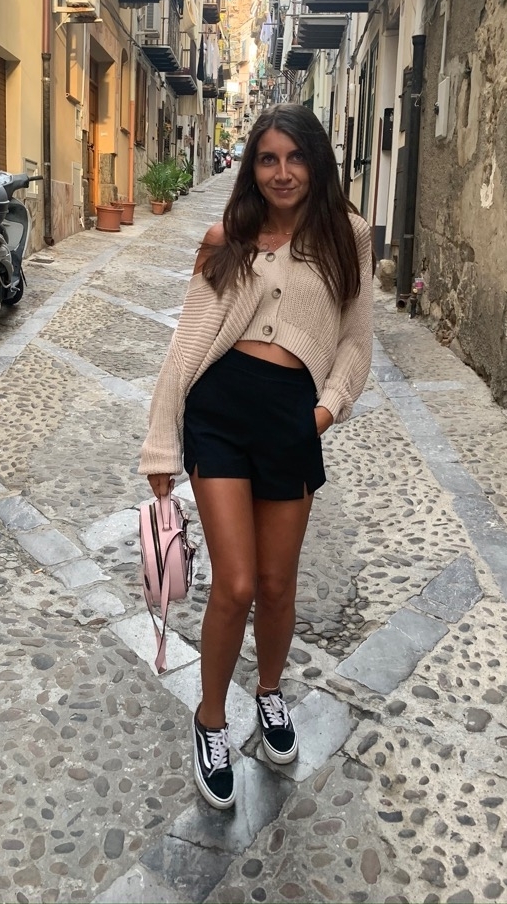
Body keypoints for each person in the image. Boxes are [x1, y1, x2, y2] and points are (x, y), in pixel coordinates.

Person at [138, 103, 373, 810]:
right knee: (236, 584)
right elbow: (188, 341)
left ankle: (270, 694)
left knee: (277, 585)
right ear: (252, 168)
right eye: (268, 158)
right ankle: (211, 720)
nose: (282, 172)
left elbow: (356, 340)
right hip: (220, 413)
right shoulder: (227, 237)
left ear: (317, 162)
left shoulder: (349, 238)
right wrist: (162, 441)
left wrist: (324, 412)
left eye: (295, 157)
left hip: (291, 418)